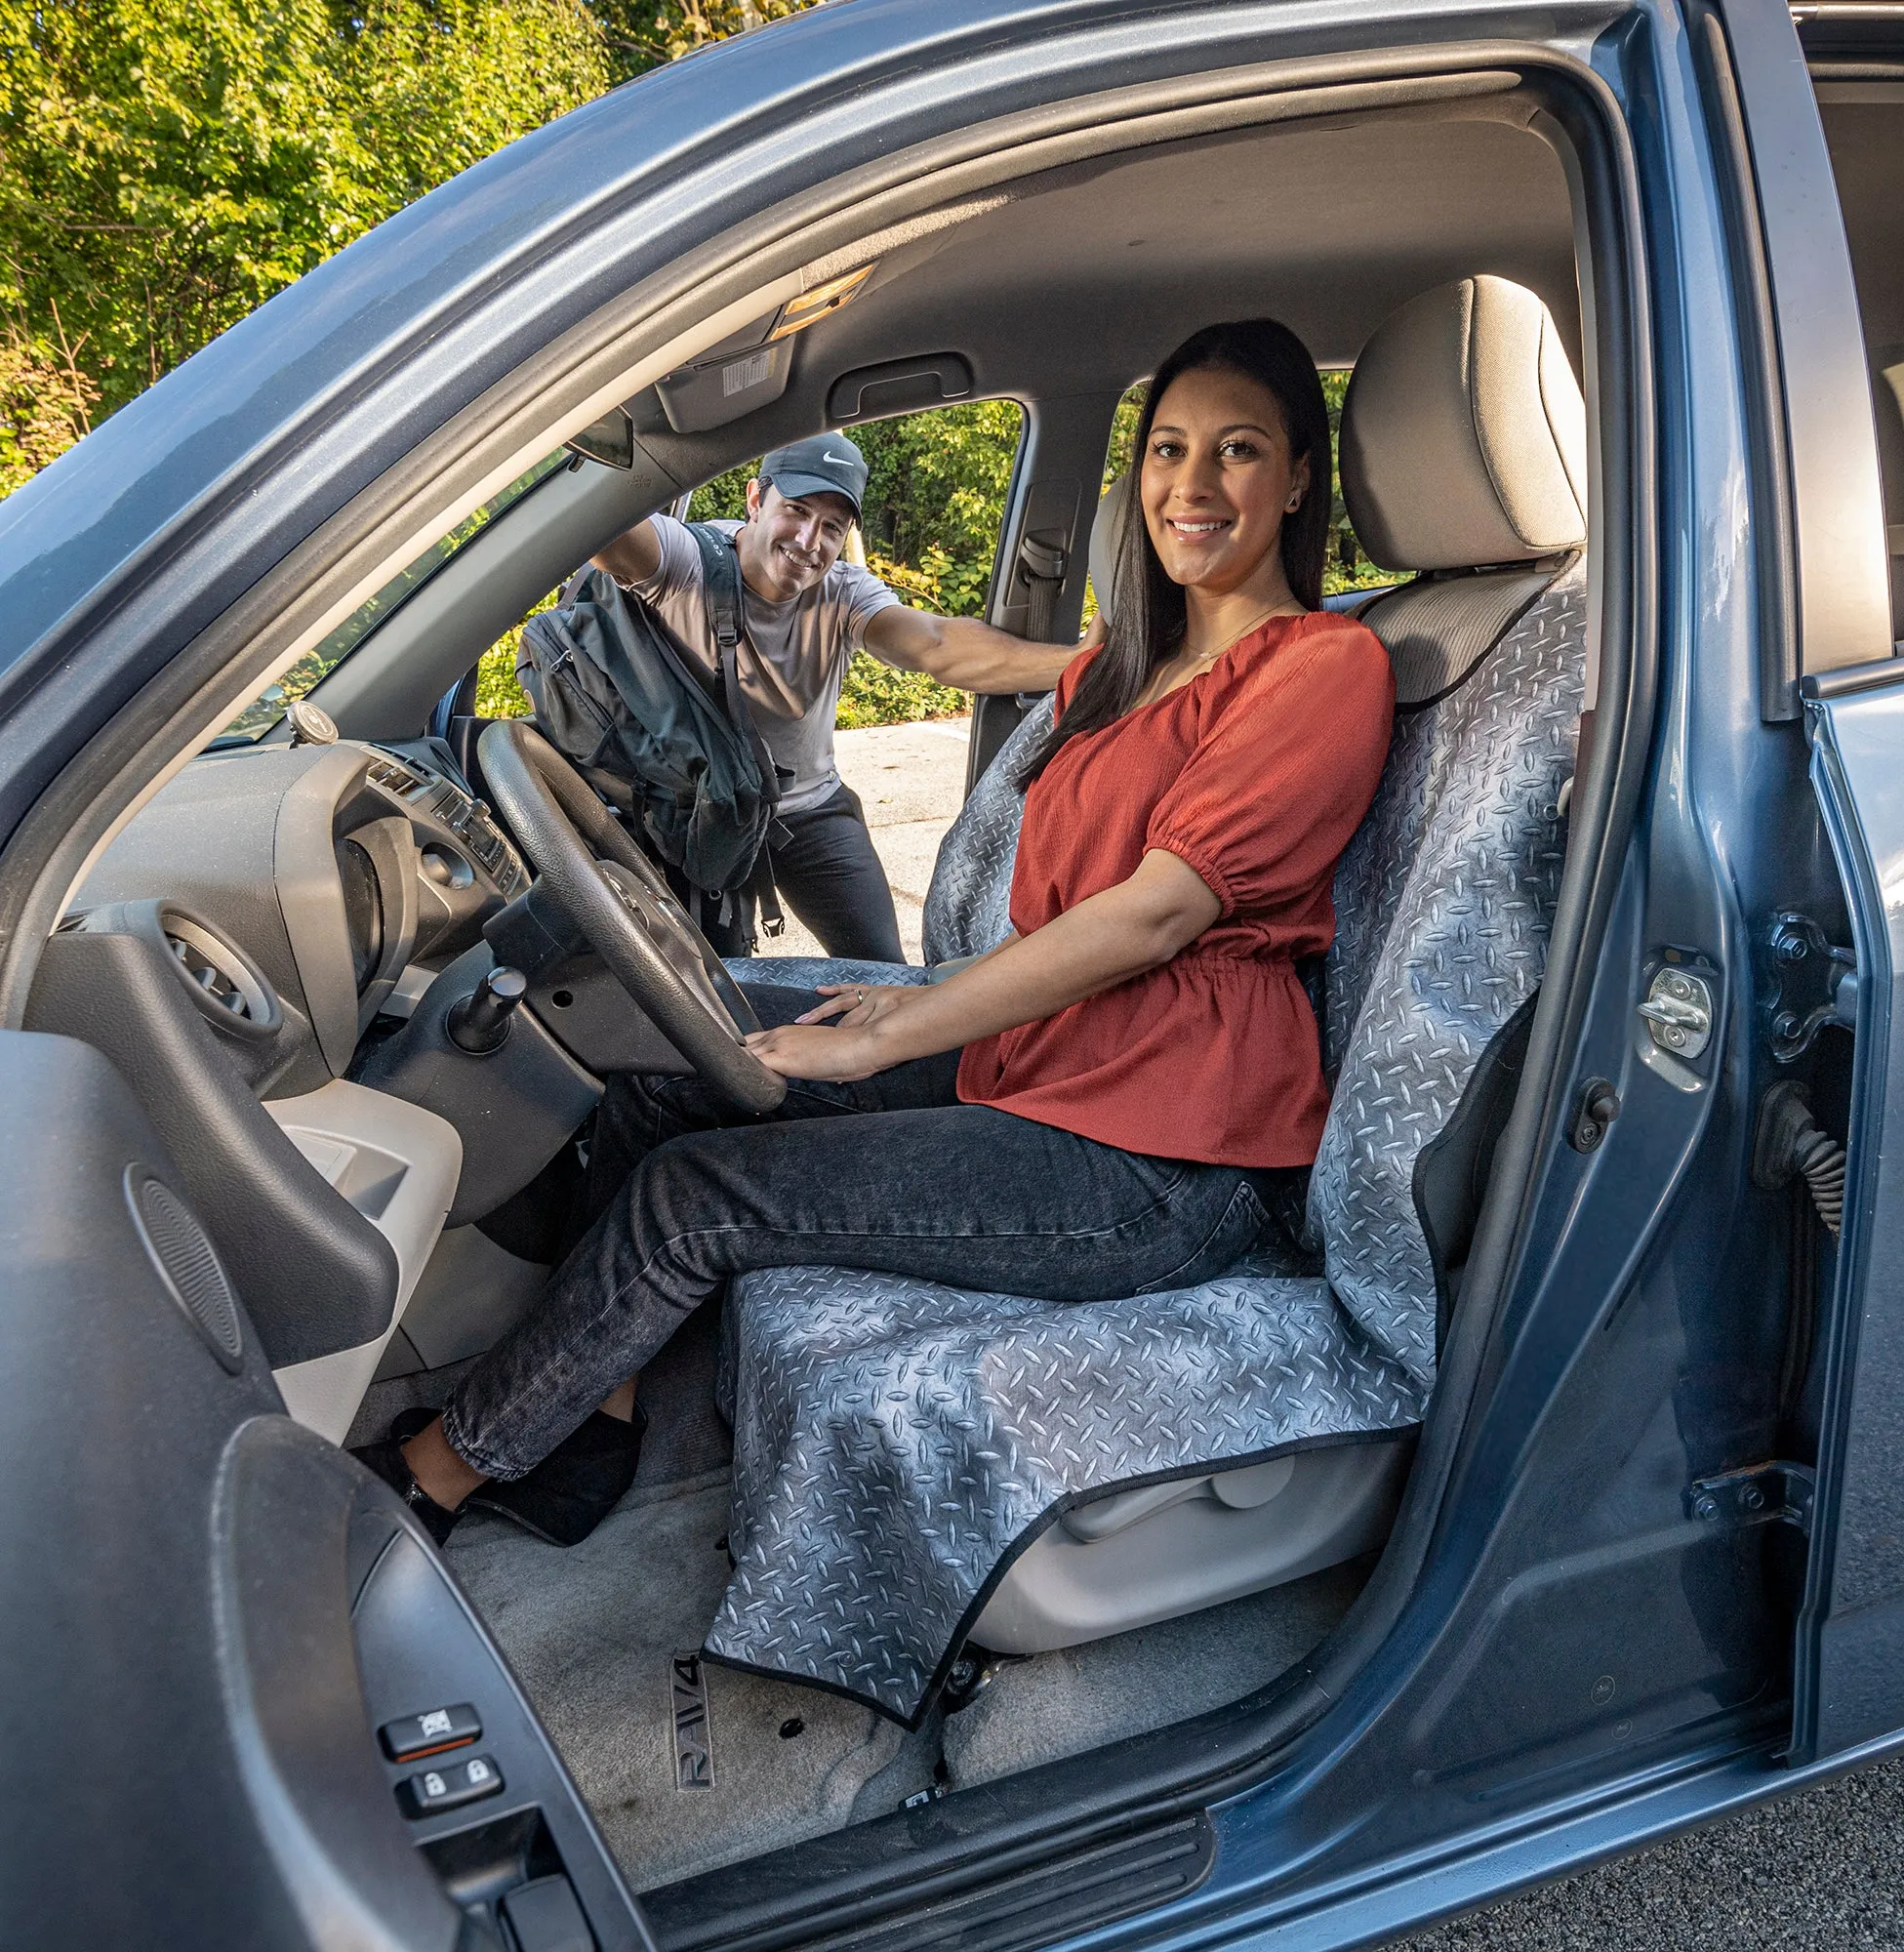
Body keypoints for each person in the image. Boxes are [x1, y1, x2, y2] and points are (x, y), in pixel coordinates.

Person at [358, 318, 1397, 1547]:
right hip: (1045, 1060)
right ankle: (592, 1423)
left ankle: (437, 1472)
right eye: (1168, 448)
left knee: (695, 1191)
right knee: (660, 1064)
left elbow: (1158, 909)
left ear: (1292, 482)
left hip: (1165, 1153)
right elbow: (1015, 743)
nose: (1193, 482)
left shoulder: (1323, 666)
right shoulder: (1121, 672)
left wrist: (894, 1021)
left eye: (1237, 451)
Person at [583, 432, 1076, 961]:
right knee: (709, 989)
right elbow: (601, 530)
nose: (808, 541)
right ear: (755, 499)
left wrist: (1083, 664)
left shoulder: (843, 591)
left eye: (832, 527)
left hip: (810, 810)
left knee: (881, 969)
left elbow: (936, 645)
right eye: (795, 510)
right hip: (698, 811)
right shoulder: (686, 560)